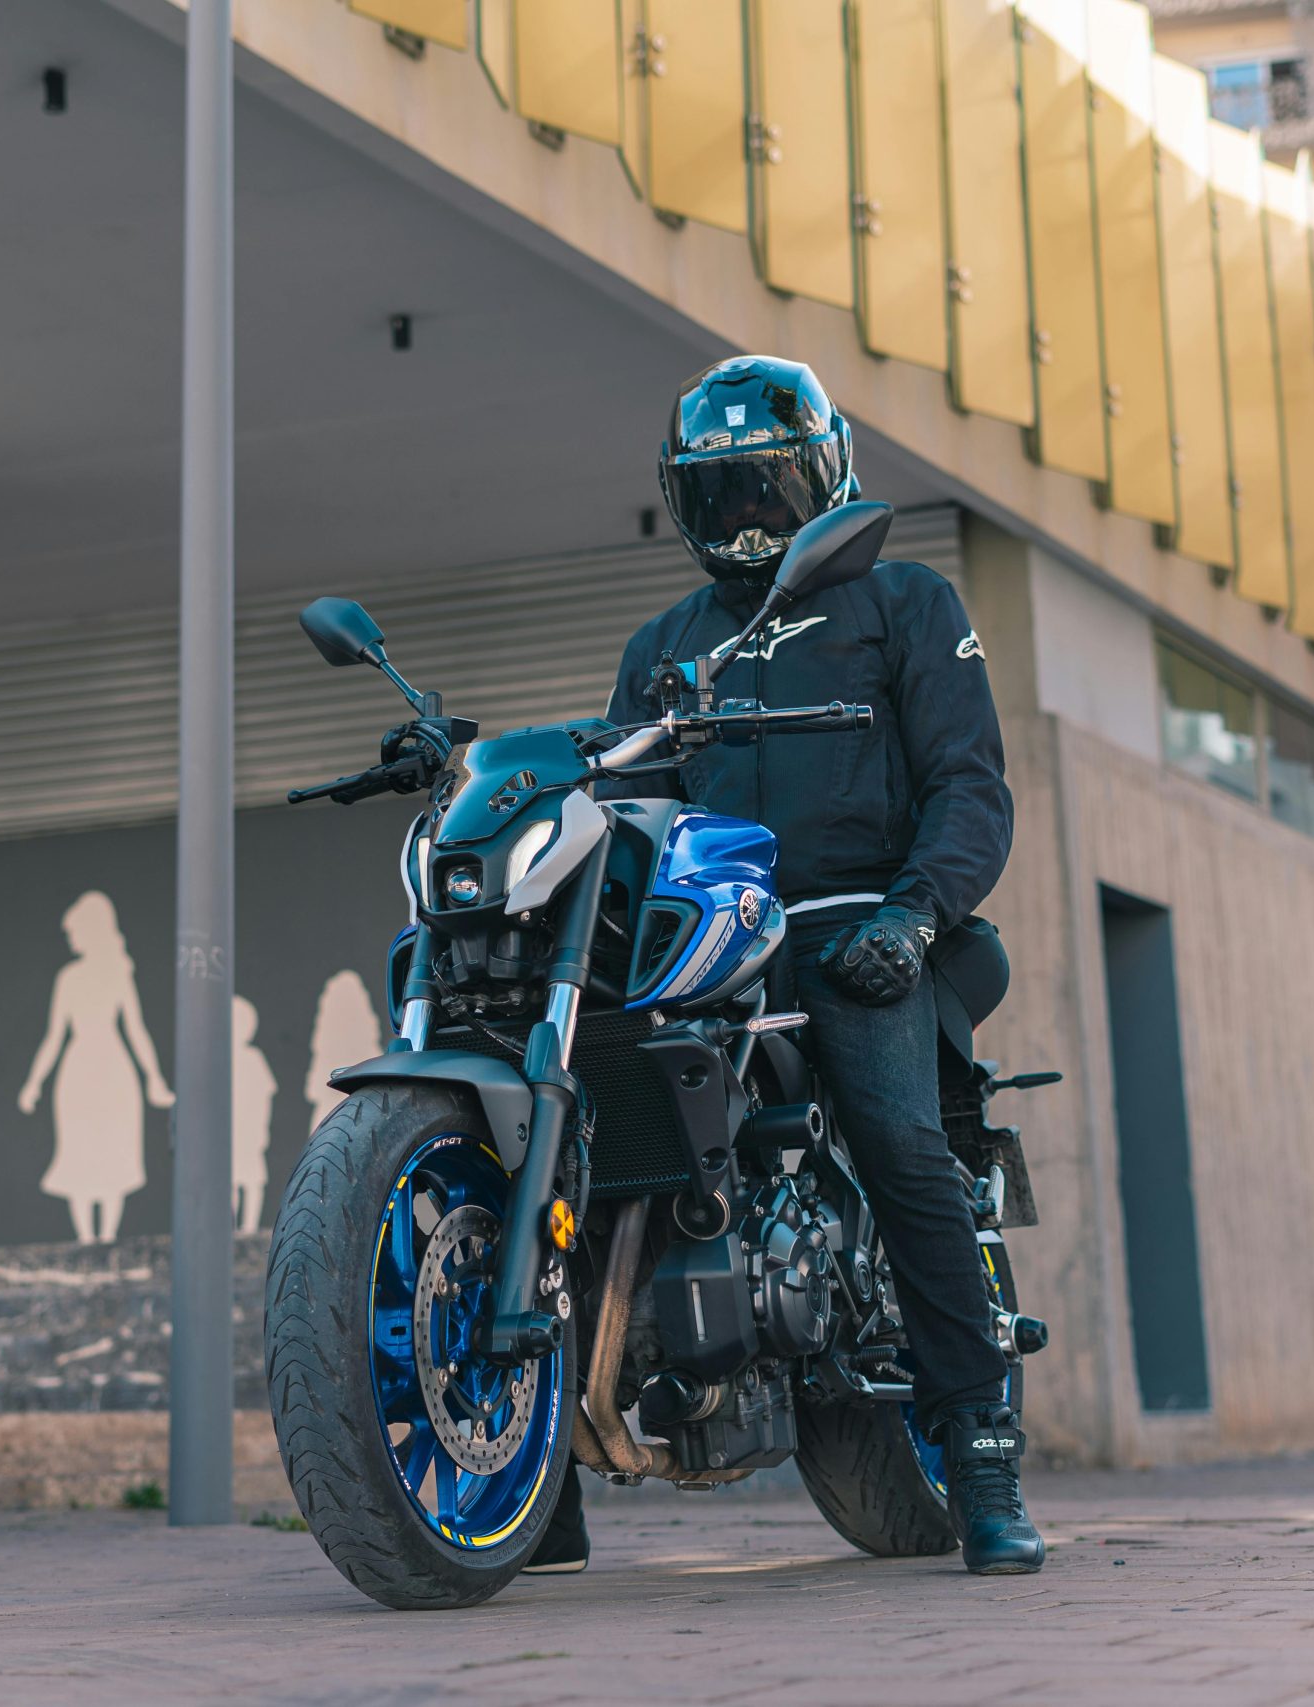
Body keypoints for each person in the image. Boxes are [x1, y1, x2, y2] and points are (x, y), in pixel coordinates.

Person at [526, 354, 1041, 1578]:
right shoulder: (665, 644)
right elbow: (627, 809)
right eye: (722, 498)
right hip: (701, 941)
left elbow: (970, 786)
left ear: (825, 477)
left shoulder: (905, 604)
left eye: (769, 488)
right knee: (579, 1149)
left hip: (854, 929)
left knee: (901, 1145)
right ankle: (540, 1475)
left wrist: (913, 919)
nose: (749, 518)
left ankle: (980, 1461)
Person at [18, 890, 174, 1244]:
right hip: (78, 1073)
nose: (71, 938)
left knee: (112, 1153)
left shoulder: (118, 973)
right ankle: (89, 1241)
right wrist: (34, 1083)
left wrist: (154, 1079)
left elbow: (136, 1030)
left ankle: (105, 1239)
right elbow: (54, 1036)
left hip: (114, 1071)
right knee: (80, 1153)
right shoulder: (68, 978)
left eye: (74, 931)